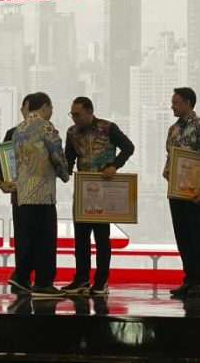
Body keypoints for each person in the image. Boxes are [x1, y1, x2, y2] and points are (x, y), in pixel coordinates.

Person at [62, 96, 135, 296]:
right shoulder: (71, 132)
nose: (74, 118)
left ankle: (101, 282)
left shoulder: (108, 128)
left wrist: (114, 166)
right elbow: (69, 158)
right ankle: (81, 279)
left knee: (102, 238)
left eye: (78, 114)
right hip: (83, 191)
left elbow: (129, 147)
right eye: (72, 115)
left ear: (89, 112)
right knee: (81, 238)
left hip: (104, 189)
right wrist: (63, 170)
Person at [163, 87, 200, 298]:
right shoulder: (173, 129)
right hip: (177, 192)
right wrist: (167, 171)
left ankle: (199, 281)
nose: (172, 106)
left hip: (195, 194)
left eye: (176, 103)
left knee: (196, 237)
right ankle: (188, 279)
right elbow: (170, 156)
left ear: (188, 103)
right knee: (182, 237)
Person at [11, 92, 69, 298]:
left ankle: (23, 277)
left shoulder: (18, 130)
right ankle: (44, 284)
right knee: (45, 241)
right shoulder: (46, 127)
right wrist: (64, 174)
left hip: (23, 194)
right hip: (42, 194)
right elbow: (57, 155)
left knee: (29, 240)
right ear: (44, 106)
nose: (51, 112)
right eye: (51, 108)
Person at [0, 93, 33, 292]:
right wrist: (1, 181)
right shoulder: (13, 133)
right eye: (28, 109)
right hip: (19, 195)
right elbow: (1, 160)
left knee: (38, 240)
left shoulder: (47, 134)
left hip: (42, 196)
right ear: (22, 111)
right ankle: (22, 277)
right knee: (22, 238)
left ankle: (27, 277)